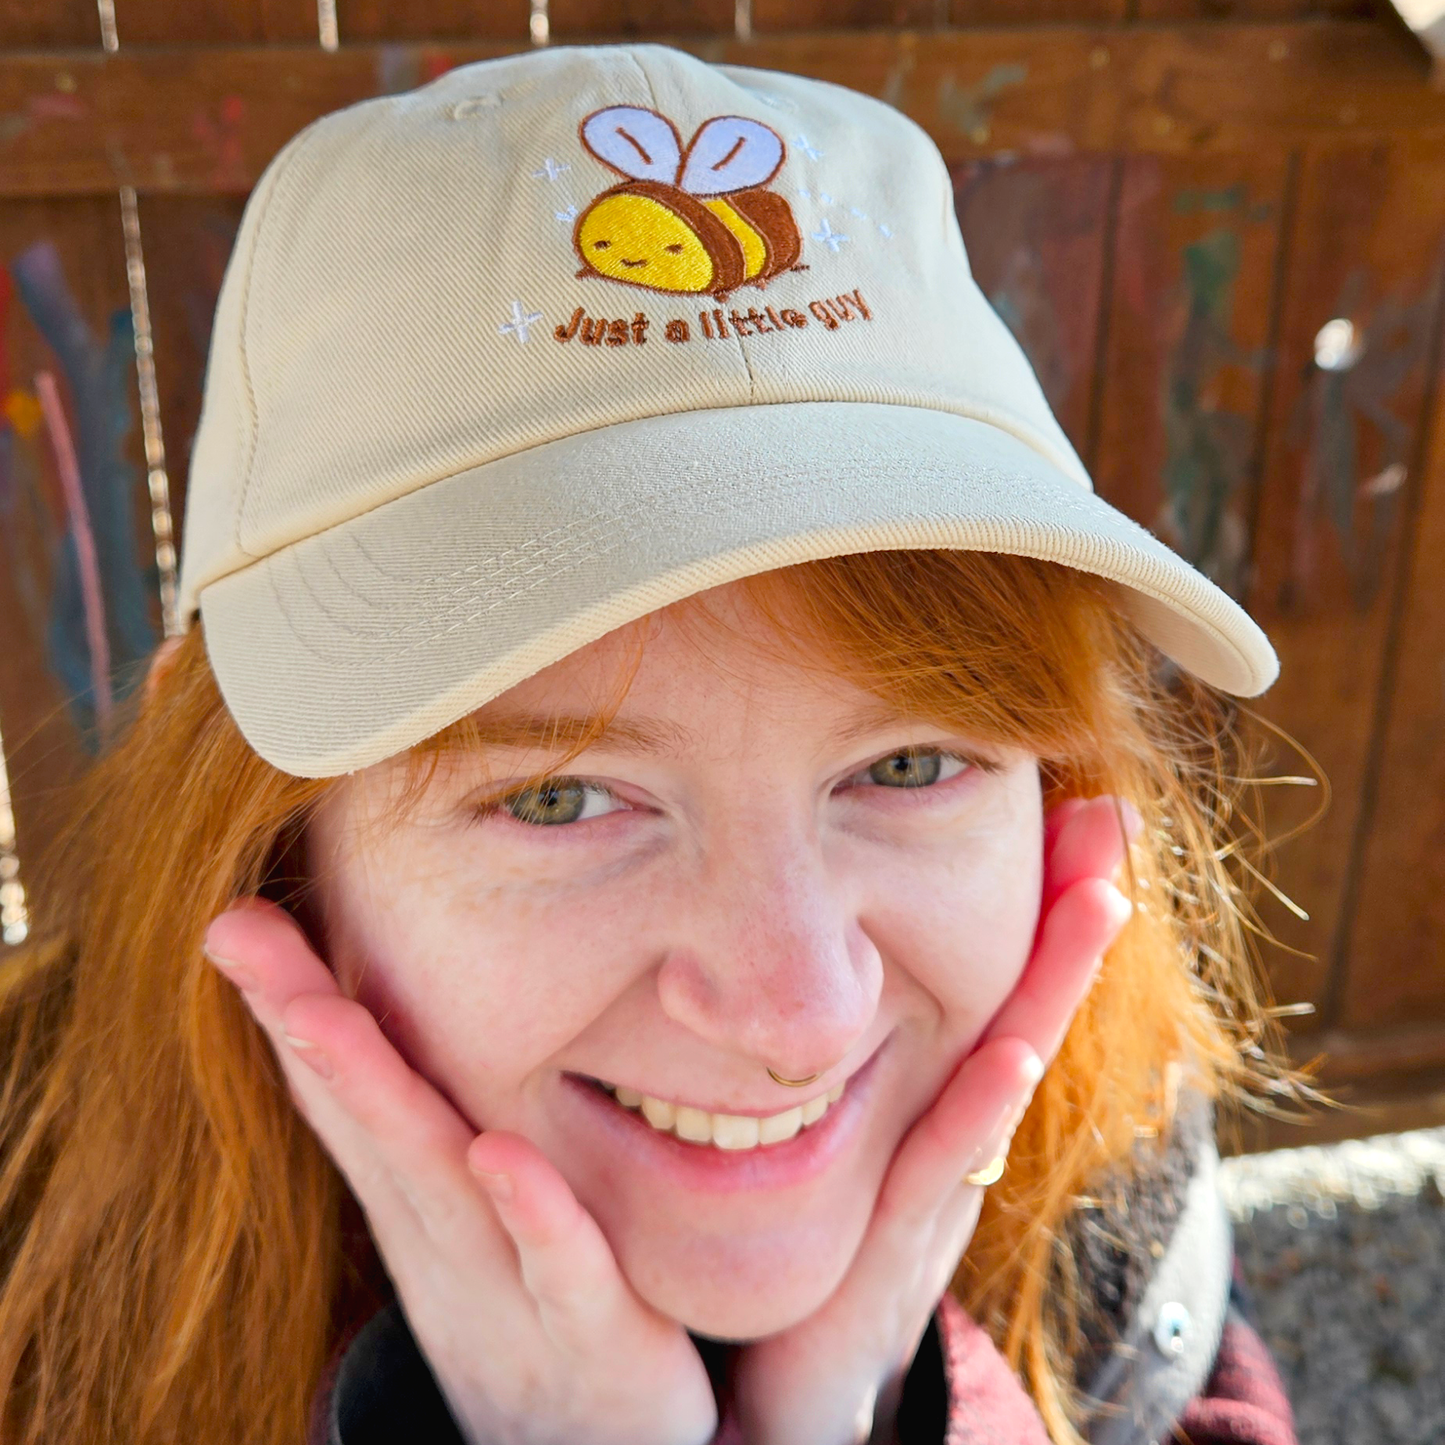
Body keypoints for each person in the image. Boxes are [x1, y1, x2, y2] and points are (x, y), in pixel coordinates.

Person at [0, 42, 1308, 1445]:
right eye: (562, 798)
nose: (797, 1016)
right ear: (267, 840)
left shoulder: (1099, 1176)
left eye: (913, 765)